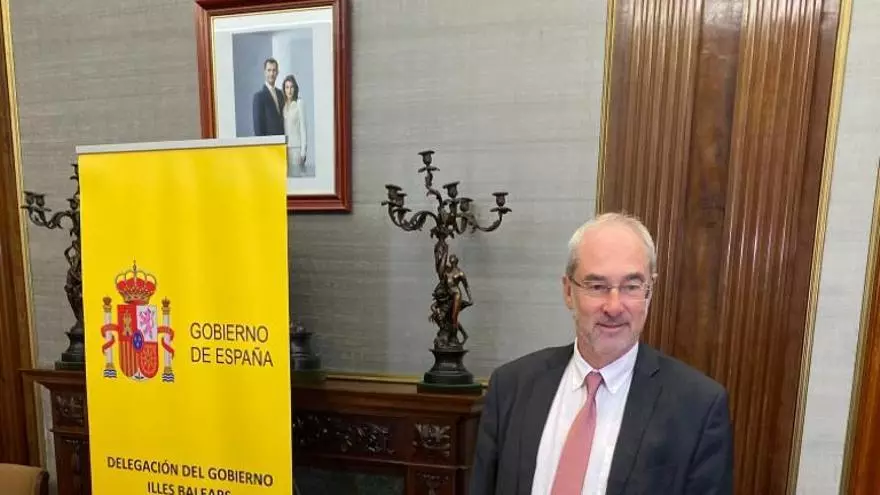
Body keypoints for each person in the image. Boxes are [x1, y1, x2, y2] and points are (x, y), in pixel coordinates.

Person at [469, 212, 733, 495]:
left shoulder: (698, 408)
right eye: (597, 287)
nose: (614, 307)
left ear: (649, 292)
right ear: (568, 291)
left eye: (631, 287)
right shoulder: (511, 386)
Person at [281, 74, 308, 176]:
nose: (289, 90)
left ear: (295, 88)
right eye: (287, 87)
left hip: (296, 149)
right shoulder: (284, 106)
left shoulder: (299, 103)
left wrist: (303, 152)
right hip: (285, 150)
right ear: (284, 89)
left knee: (296, 177)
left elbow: (303, 129)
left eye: (291, 87)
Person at [252, 58, 284, 136]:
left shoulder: (281, 94)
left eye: (274, 70)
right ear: (265, 72)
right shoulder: (259, 97)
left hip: (282, 141)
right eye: (269, 70)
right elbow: (258, 129)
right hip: (269, 142)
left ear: (277, 73)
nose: (271, 74)